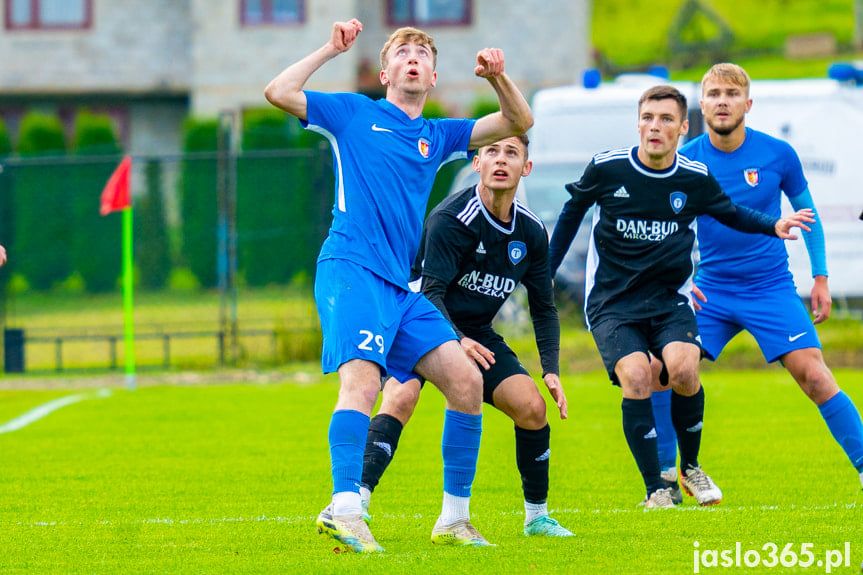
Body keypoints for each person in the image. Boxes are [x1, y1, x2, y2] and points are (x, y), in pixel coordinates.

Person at [264, 20, 533, 552]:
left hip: (401, 286)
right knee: (362, 385)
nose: (412, 58)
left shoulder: (439, 134)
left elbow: (519, 121)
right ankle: (345, 509)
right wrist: (330, 49)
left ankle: (453, 520)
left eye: (422, 54)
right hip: (352, 268)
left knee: (465, 382)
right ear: (385, 72)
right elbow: (278, 92)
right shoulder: (353, 113)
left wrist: (498, 78)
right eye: (402, 53)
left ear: (432, 76)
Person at [547, 85, 815, 509]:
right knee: (637, 376)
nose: (656, 126)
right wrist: (544, 272)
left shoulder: (693, 177)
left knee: (685, 368)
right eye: (649, 118)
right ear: (638, 123)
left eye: (666, 119)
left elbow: (731, 212)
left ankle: (690, 468)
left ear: (683, 127)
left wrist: (773, 226)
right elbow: (569, 217)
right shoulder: (606, 168)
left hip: (669, 298)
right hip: (613, 303)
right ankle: (657, 486)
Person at [649, 63, 863, 495]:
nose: (722, 100)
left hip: (770, 289)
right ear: (702, 105)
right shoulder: (685, 160)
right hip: (711, 290)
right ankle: (667, 481)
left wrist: (820, 278)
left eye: (731, 93)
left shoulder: (778, 154)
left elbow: (810, 217)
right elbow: (666, 229)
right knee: (662, 370)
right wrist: (675, 284)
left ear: (748, 103)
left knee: (816, 376)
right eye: (713, 93)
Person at [360, 134, 573, 539]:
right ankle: (357, 503)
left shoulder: (530, 232)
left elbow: (543, 306)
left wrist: (551, 370)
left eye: (512, 153)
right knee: (402, 397)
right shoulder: (453, 219)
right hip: (417, 320)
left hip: (475, 332)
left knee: (531, 407)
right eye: (491, 151)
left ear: (525, 168)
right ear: (476, 163)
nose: (500, 160)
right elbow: (432, 290)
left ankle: (537, 518)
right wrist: (455, 340)